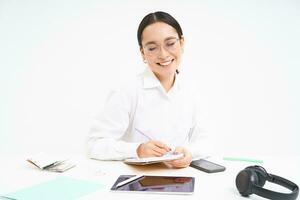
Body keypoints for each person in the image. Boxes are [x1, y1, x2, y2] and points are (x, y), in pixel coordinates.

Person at [87, 11, 212, 168]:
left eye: (170, 43)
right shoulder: (127, 91)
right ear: (142, 53)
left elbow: (206, 141)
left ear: (182, 42)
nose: (163, 54)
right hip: (134, 182)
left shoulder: (191, 91)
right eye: (152, 48)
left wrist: (190, 152)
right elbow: (95, 145)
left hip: (178, 179)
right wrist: (137, 149)